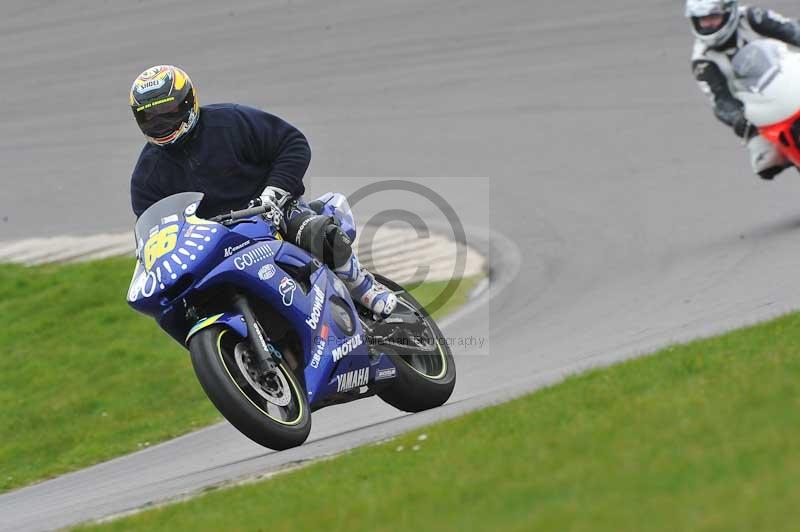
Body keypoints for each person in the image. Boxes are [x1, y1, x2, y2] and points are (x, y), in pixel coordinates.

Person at [129, 65, 396, 317]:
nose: (160, 122)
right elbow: (155, 231)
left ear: (189, 101)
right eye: (150, 116)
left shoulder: (230, 121)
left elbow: (292, 143)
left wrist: (275, 192)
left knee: (316, 232)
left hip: (269, 212)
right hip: (211, 246)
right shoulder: (146, 177)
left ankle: (362, 285)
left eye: (168, 110)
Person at [686, 0, 800, 179]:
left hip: (792, 78)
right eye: (703, 19)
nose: (708, 24)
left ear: (729, 12)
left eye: (713, 17)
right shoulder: (702, 61)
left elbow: (790, 30)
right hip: (763, 111)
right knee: (765, 163)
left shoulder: (752, 17)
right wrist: (739, 119)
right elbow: (720, 101)